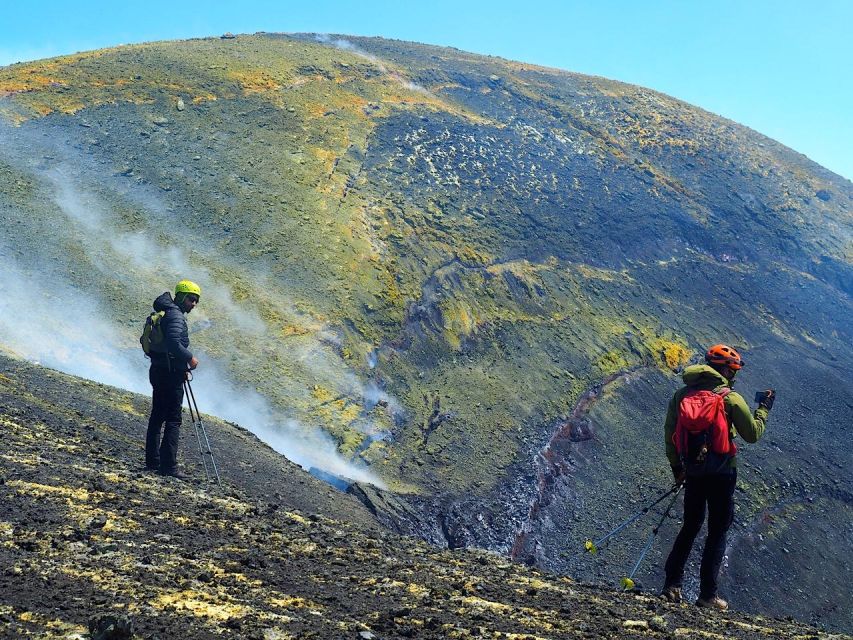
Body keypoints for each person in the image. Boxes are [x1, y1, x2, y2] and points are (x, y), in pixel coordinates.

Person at [661, 344, 774, 610]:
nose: (734, 375)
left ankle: (671, 586)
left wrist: (678, 468)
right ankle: (708, 595)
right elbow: (753, 434)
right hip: (723, 472)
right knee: (718, 531)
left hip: (694, 471)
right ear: (724, 369)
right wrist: (764, 409)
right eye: (732, 370)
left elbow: (670, 434)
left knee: (690, 526)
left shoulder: (681, 395)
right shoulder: (730, 398)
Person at [145, 280, 201, 478]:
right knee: (173, 420)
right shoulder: (176, 316)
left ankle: (152, 462)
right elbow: (174, 344)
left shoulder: (166, 312)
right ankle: (168, 466)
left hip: (159, 369)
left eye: (196, 301)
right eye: (191, 299)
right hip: (169, 375)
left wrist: (180, 367)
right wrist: (190, 359)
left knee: (157, 416)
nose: (193, 304)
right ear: (181, 297)